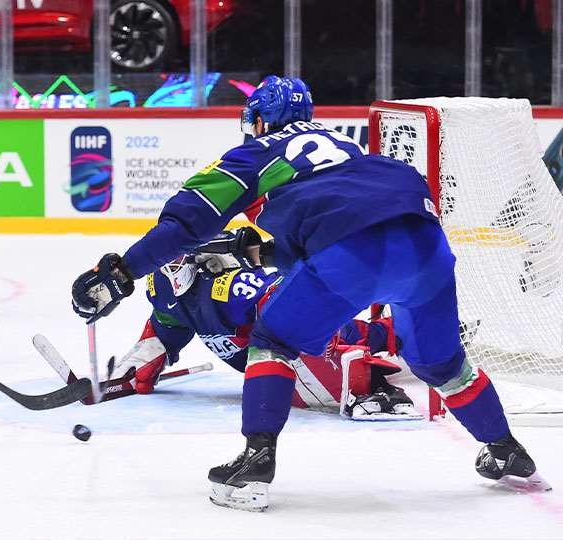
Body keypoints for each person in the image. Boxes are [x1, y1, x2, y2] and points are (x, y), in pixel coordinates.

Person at [71, 76, 546, 510]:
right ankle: (506, 450)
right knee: (441, 364)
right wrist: (263, 253)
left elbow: (184, 225)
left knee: (272, 339)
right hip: (427, 248)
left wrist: (121, 273)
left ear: (259, 120)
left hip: (353, 250)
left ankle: (255, 462)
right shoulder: (348, 147)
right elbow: (334, 221)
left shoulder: (252, 156)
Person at [110, 228, 417, 420]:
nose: (171, 267)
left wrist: (329, 359)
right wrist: (143, 361)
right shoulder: (161, 290)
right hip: (270, 363)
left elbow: (286, 303)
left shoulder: (228, 286)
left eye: (177, 257)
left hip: (305, 332)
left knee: (363, 335)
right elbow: (166, 327)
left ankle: (409, 331)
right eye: (164, 260)